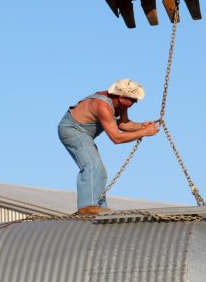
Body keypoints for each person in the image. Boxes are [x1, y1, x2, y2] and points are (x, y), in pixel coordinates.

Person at [58, 79, 160, 215]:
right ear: (122, 97)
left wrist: (142, 126)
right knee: (92, 165)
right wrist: (144, 132)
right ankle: (87, 206)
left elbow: (123, 124)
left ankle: (99, 207)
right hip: (72, 130)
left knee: (100, 170)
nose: (135, 103)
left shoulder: (121, 104)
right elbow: (116, 138)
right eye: (133, 100)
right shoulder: (103, 106)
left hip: (84, 133)